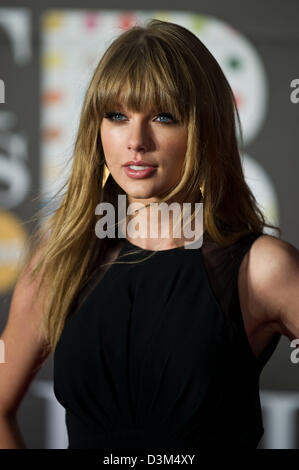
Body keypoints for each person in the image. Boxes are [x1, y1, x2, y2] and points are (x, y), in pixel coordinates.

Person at [0, 18, 298, 450]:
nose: (136, 140)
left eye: (163, 116)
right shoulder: (62, 261)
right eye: (118, 116)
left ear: (205, 127)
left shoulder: (261, 270)